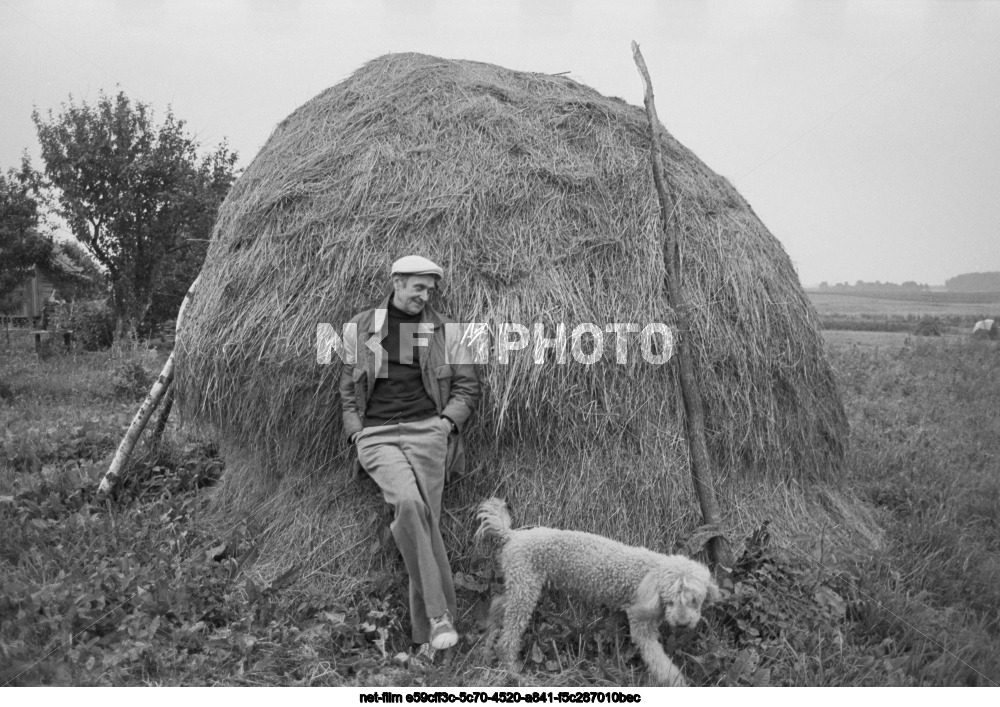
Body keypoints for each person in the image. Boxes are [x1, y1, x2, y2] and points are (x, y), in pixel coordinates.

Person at [339, 255, 480, 651]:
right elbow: (348, 388)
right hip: (378, 435)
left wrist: (446, 425)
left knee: (426, 522)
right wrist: (356, 434)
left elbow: (468, 387)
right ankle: (440, 616)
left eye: (430, 289)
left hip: (428, 433)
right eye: (418, 287)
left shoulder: (446, 329)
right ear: (397, 282)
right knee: (408, 504)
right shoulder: (361, 325)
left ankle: (428, 640)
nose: (425, 295)